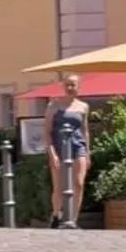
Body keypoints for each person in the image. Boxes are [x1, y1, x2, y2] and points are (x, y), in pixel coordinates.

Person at [43, 72, 90, 225]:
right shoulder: (54, 105)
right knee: (59, 185)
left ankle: (72, 219)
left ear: (78, 87)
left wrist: (88, 153)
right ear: (63, 86)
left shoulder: (83, 107)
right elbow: (47, 131)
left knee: (78, 183)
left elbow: (84, 130)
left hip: (78, 146)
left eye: (73, 85)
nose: (70, 88)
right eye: (67, 85)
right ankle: (56, 214)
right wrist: (52, 154)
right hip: (59, 147)